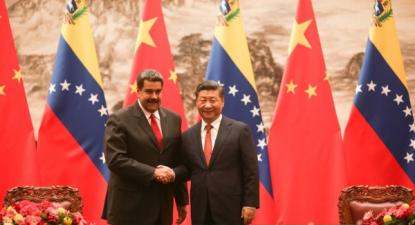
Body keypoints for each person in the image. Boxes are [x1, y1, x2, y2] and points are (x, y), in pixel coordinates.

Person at [102, 69, 188, 225]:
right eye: (149, 91)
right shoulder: (119, 119)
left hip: (162, 207)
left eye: (158, 92)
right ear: (138, 92)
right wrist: (153, 173)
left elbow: (176, 159)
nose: (154, 96)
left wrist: (181, 200)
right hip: (128, 209)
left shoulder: (174, 119)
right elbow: (115, 159)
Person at [176, 80, 259, 225]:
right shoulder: (188, 136)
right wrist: (170, 173)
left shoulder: (240, 130)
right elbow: (186, 169)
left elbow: (251, 170)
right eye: (203, 100)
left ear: (222, 102)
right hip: (201, 209)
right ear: (196, 102)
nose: (207, 105)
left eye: (212, 100)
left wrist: (250, 203)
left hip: (232, 208)